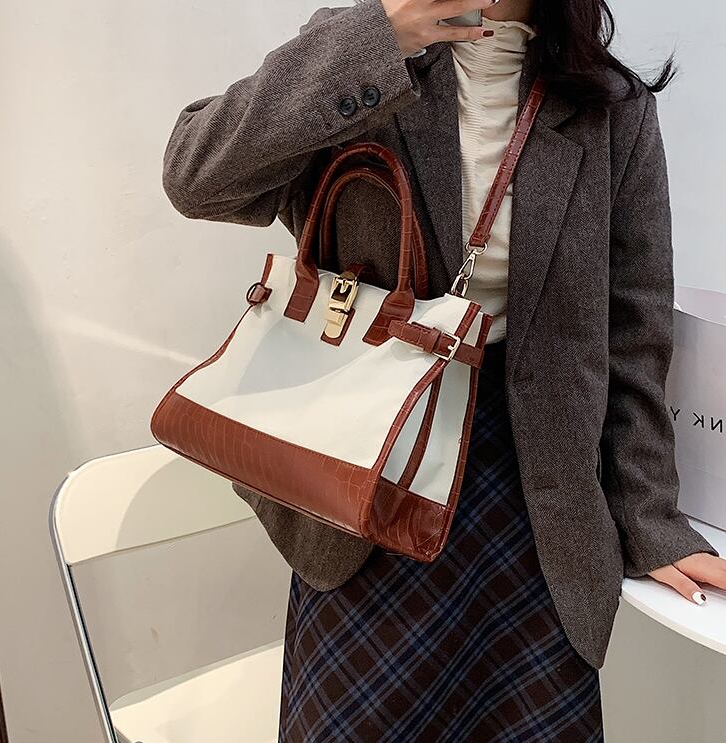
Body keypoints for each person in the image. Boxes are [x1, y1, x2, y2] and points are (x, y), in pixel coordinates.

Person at [161, 0, 726, 739]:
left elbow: (633, 334)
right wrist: (378, 37)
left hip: (536, 504)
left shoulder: (608, 106)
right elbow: (196, 177)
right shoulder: (359, 57)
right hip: (369, 478)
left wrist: (650, 519)